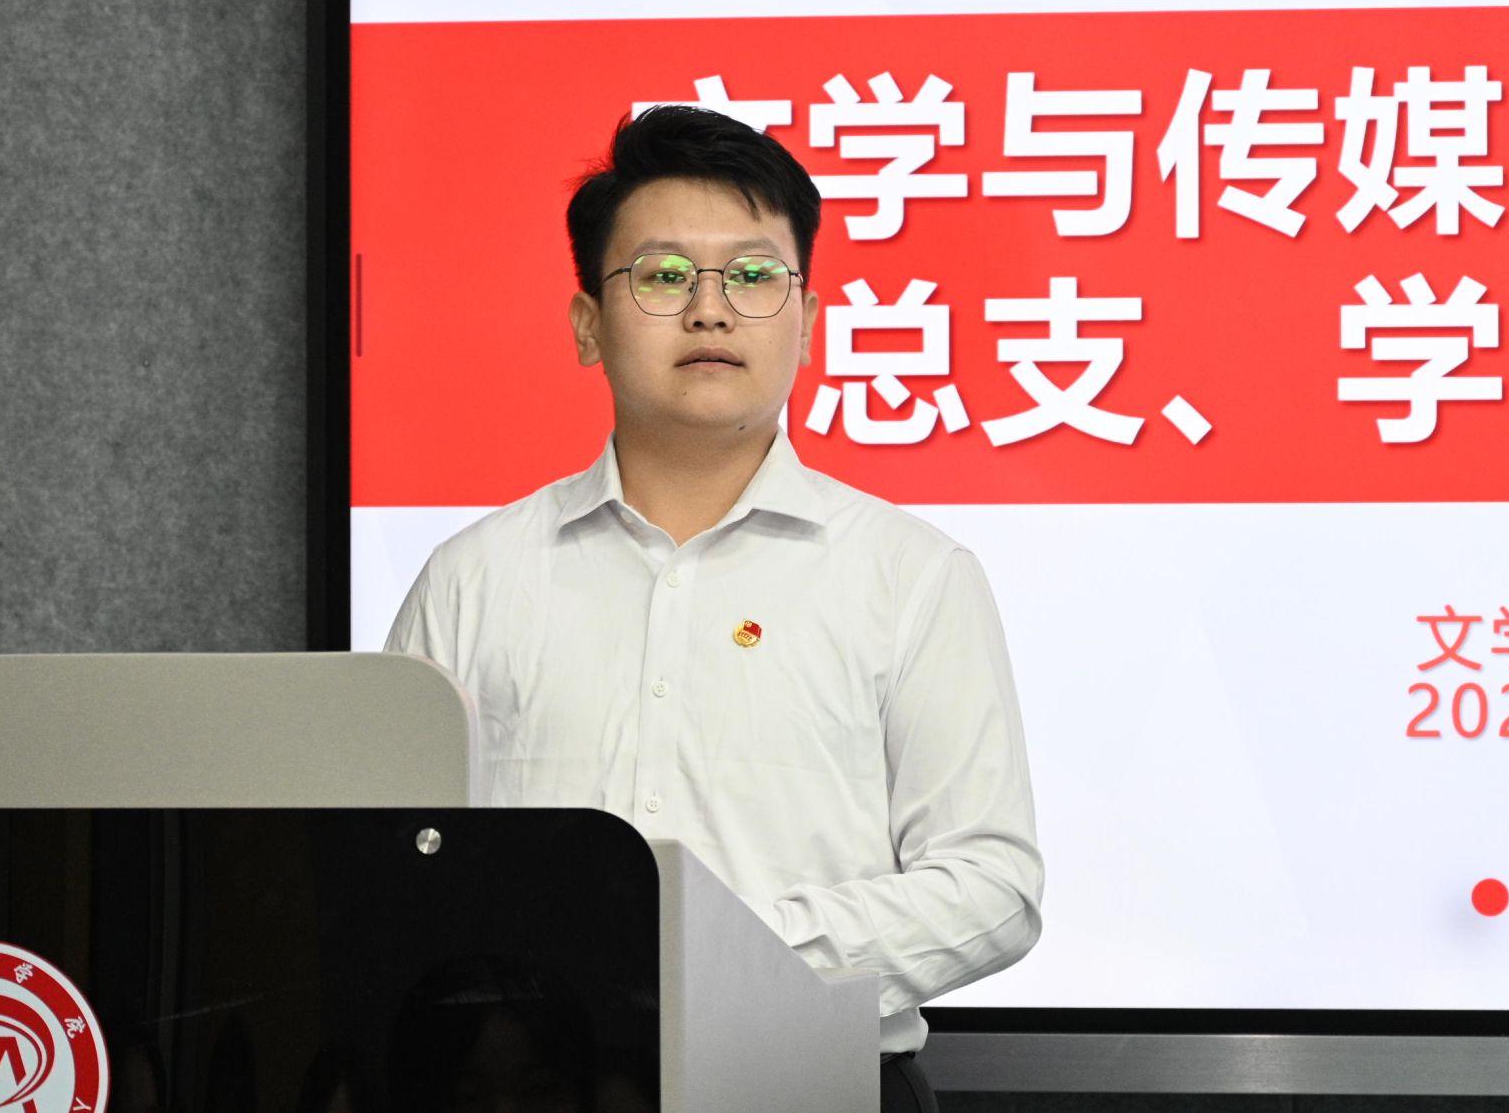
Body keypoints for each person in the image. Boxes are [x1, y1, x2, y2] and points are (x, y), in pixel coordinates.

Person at [386, 105, 1043, 1113]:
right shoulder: (473, 579)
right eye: (661, 275)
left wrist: (733, 954)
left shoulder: (910, 576)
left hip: (810, 1089)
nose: (708, 309)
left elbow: (993, 885)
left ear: (806, 322)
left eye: (751, 275)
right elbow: (398, 865)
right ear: (586, 324)